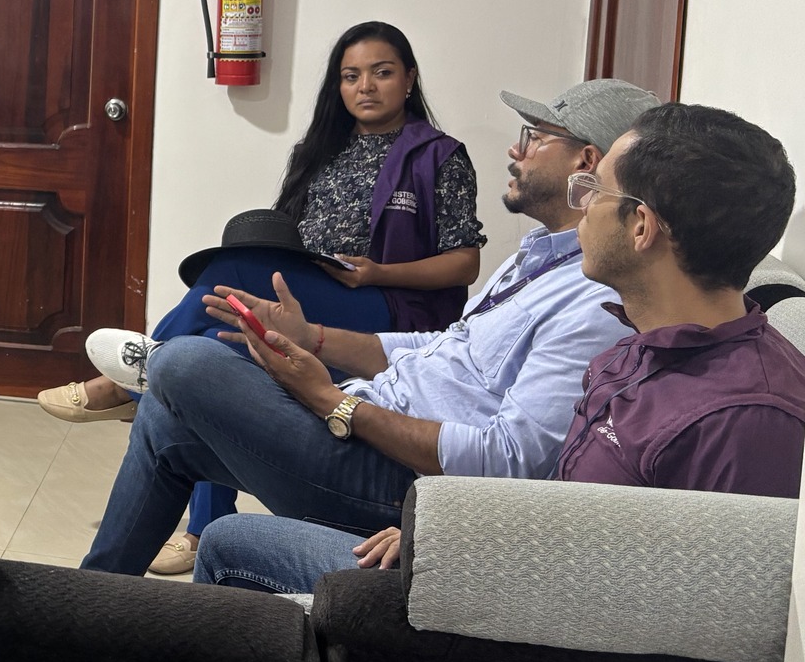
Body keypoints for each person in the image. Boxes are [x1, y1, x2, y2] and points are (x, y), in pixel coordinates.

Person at [193, 101, 805, 595]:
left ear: (641, 227)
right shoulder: (636, 347)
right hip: (476, 544)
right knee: (203, 463)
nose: (583, 208)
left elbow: (683, 618)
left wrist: (456, 539)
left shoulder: (746, 415)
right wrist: (461, 527)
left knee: (219, 499)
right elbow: (568, 505)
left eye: (595, 192)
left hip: (497, 621)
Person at [80, 77, 660, 577]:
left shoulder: (598, 300)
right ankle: (88, 608)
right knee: (167, 418)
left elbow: (511, 460)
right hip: (368, 417)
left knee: (186, 361)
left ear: (586, 164)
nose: (516, 148)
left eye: (534, 136)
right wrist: (313, 339)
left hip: (400, 482)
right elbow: (446, 347)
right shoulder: (540, 255)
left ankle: (143, 372)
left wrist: (334, 403)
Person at [41, 21, 485, 574]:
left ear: (410, 78)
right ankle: (200, 526)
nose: (366, 87)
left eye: (382, 72)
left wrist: (377, 273)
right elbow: (286, 233)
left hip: (387, 306)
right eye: (351, 76)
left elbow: (465, 262)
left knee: (228, 271)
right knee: (221, 340)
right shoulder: (319, 149)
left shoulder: (439, 156)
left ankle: (131, 380)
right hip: (314, 289)